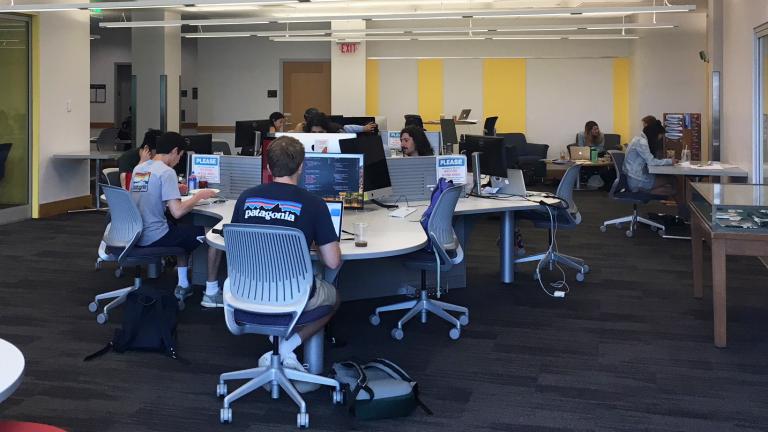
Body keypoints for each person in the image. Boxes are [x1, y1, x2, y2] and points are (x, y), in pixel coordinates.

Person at [230, 136, 341, 368]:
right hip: (292, 294)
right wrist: (313, 244)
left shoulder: (245, 198)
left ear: (269, 168)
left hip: (248, 290)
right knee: (333, 297)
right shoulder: (314, 204)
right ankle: (287, 346)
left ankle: (278, 343)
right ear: (301, 166)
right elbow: (332, 262)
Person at [129, 132, 224, 308]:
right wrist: (200, 196)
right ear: (174, 151)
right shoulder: (167, 172)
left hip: (135, 234)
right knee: (214, 235)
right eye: (180, 155)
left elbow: (146, 195)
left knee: (183, 228)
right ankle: (211, 293)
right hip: (155, 235)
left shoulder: (140, 168)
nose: (179, 160)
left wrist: (173, 190)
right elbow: (178, 211)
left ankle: (183, 284)